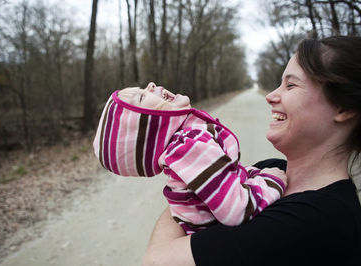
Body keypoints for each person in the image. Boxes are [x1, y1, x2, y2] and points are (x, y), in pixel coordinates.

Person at [142, 35, 361, 266]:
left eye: (291, 85)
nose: (270, 96)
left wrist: (192, 177)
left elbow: (156, 261)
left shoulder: (319, 219)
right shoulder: (270, 168)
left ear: (342, 107)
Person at [93, 82, 287, 235]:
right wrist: (270, 181)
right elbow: (236, 209)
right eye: (142, 96)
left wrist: (250, 173)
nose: (151, 85)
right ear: (146, 126)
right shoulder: (189, 146)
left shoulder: (180, 148)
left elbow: (224, 178)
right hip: (219, 239)